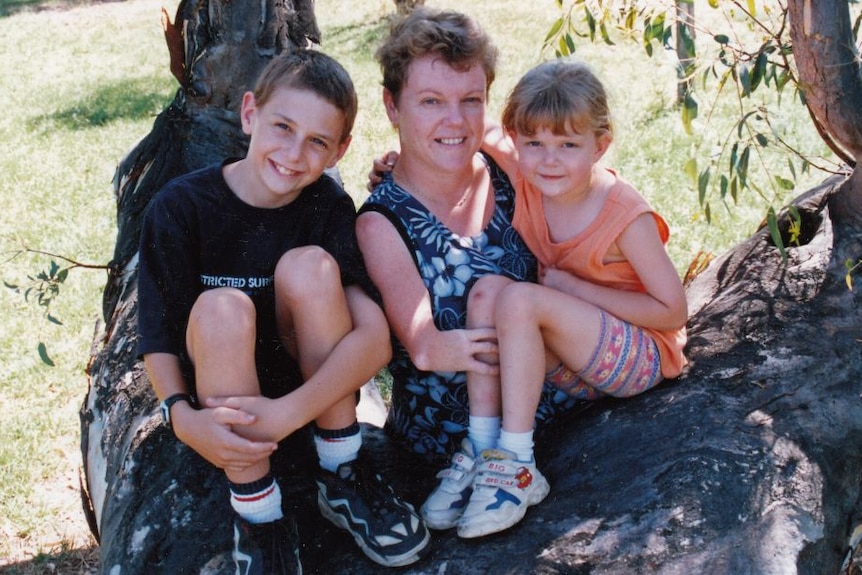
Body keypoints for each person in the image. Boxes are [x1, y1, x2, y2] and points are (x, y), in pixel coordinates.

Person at [137, 49, 429, 573]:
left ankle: (342, 470)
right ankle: (258, 513)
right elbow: (157, 337)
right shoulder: (180, 208)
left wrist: (288, 412)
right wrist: (181, 419)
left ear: (340, 150)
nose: (295, 153)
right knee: (223, 308)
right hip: (225, 401)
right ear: (250, 113)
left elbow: (374, 340)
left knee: (312, 267)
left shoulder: (327, 208)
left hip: (316, 395)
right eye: (282, 126)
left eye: (318, 141)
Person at [421, 59, 688, 539]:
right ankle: (483, 446)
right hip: (573, 359)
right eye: (535, 145)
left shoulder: (624, 215)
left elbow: (673, 312)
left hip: (638, 356)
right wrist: (391, 161)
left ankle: (517, 464)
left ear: (600, 146)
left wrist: (575, 288)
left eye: (568, 145)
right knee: (486, 294)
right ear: (517, 140)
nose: (549, 160)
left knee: (521, 301)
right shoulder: (528, 175)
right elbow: (471, 128)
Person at [356, 8, 582, 462]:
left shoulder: (511, 168)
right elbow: (428, 350)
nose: (455, 121)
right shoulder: (382, 223)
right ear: (391, 106)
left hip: (570, 420)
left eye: (471, 100)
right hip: (454, 452)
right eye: (431, 101)